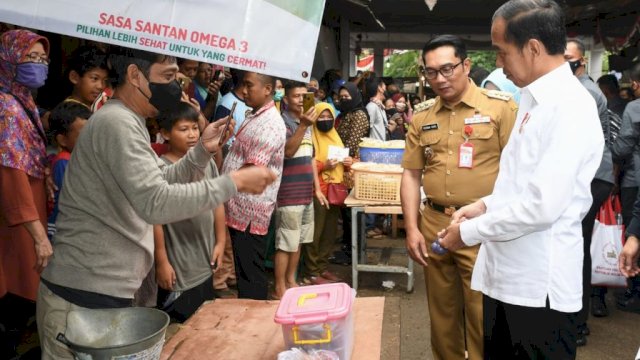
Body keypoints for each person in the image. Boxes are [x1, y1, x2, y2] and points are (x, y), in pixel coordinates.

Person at [37, 47, 275, 359]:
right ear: (135, 76)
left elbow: (161, 179)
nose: (176, 86)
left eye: (176, 77)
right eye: (167, 77)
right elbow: (156, 203)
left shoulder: (128, 121)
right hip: (83, 295)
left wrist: (202, 151)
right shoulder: (116, 123)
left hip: (103, 290)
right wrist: (234, 183)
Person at [438, 1, 604, 358]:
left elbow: (541, 207)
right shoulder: (533, 99)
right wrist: (484, 205)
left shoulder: (570, 106)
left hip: (537, 288)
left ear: (532, 48)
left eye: (502, 52)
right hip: (510, 278)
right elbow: (520, 184)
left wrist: (466, 233)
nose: (498, 63)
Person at [401, 34, 516, 360]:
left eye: (447, 69)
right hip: (434, 223)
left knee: (482, 313)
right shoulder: (423, 116)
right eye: (431, 72)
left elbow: (517, 173)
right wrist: (411, 228)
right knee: (441, 314)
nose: (439, 78)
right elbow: (410, 174)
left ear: (466, 65)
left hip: (482, 226)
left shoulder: (500, 109)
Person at [0, 29, 52, 359]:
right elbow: (10, 172)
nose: (38, 65)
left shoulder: (23, 101)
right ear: (8, 60)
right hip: (17, 221)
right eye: (29, 58)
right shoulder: (5, 108)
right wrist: (37, 235)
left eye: (42, 59)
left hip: (28, 213)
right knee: (15, 289)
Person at [153, 102, 226, 321]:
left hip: (205, 257)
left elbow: (217, 202)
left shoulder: (207, 162)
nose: (192, 134)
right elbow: (155, 218)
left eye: (195, 127)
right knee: (181, 324)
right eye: (183, 129)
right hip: (179, 264)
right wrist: (162, 260)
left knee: (203, 316)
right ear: (165, 133)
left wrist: (220, 242)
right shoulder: (161, 169)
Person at [565, 38, 616, 345]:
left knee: (577, 248)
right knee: (576, 246)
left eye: (569, 59)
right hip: (594, 176)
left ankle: (577, 322)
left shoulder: (582, 90)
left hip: (592, 178)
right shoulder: (577, 87)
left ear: (581, 61)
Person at [222, 71, 286, 300]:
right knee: (245, 271)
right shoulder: (255, 115)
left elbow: (251, 171)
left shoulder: (270, 124)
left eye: (249, 85)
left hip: (249, 211)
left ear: (268, 89)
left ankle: (253, 320)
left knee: (250, 275)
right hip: (239, 207)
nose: (244, 90)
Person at [273, 81, 318, 297]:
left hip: (305, 192)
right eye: (296, 96)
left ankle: (291, 281)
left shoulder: (307, 123)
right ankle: (279, 287)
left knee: (298, 240)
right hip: (289, 193)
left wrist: (315, 190)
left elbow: (310, 158)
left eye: (304, 95)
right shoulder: (282, 123)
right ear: (286, 99)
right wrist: (303, 125)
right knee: (285, 243)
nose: (301, 99)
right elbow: (288, 152)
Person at [303, 102, 353, 284]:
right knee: (316, 232)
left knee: (330, 232)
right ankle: (312, 271)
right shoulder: (310, 137)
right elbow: (306, 163)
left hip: (335, 190)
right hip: (318, 191)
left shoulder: (335, 136)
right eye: (321, 117)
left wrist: (348, 162)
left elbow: (344, 167)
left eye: (328, 117)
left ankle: (323, 267)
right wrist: (325, 165)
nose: (325, 120)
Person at [610, 61, 640, 313]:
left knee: (634, 235)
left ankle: (633, 293)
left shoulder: (634, 107)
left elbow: (623, 147)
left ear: (636, 85)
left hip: (634, 180)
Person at [331, 82, 370, 264]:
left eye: (347, 97)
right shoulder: (345, 114)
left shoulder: (359, 115)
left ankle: (353, 253)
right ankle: (349, 249)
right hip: (342, 167)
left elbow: (352, 144)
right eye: (341, 97)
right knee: (346, 213)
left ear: (355, 96)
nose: (343, 100)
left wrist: (336, 155)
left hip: (352, 169)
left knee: (352, 212)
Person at [46, 101, 91, 240]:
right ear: (63, 140)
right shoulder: (64, 163)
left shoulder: (74, 160)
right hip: (61, 231)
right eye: (83, 135)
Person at [63, 45, 109, 109]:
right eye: (95, 78)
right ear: (74, 77)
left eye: (105, 81)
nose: (100, 86)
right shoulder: (71, 113)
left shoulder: (93, 107)